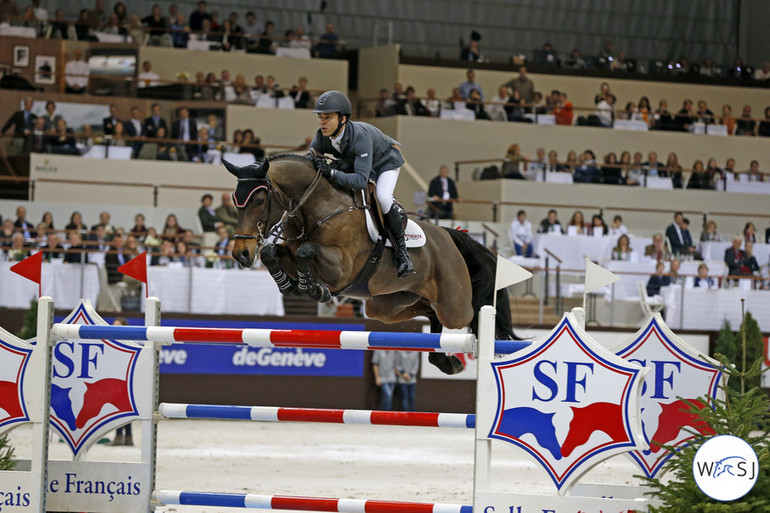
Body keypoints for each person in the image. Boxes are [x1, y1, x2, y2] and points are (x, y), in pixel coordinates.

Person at [310, 91, 413, 277]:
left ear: (343, 119)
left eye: (328, 117)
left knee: (383, 197)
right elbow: (310, 164)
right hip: (357, 163)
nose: (322, 122)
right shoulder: (321, 136)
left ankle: (402, 253)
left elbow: (360, 181)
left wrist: (332, 171)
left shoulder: (360, 136)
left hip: (385, 162)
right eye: (320, 117)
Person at [108, 317, 133, 445]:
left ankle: (124, 436)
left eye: (118, 326)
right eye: (113, 326)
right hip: (116, 378)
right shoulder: (112, 342)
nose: (115, 329)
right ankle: (125, 436)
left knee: (123, 408)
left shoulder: (128, 343)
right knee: (119, 408)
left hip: (125, 379)